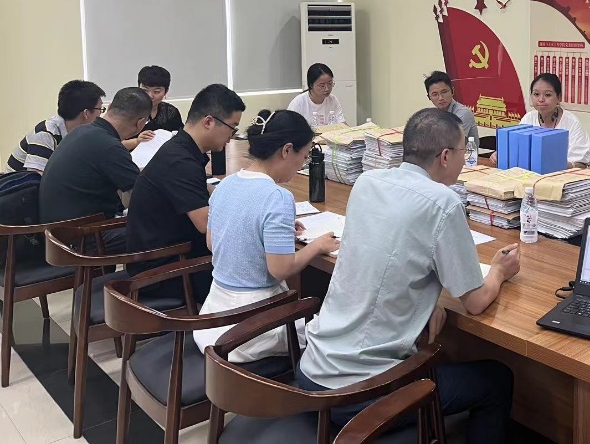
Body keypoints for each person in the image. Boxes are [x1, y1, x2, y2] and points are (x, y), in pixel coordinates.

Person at [298, 108, 520, 443]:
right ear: (445, 156)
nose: (466, 159)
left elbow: (387, 256)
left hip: (312, 370)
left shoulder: (368, 182)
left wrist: (426, 301)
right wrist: (500, 272)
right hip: (357, 392)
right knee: (496, 379)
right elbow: (475, 302)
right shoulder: (443, 202)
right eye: (464, 151)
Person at [192, 109, 340, 362]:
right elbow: (281, 269)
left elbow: (212, 243)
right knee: (331, 331)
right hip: (251, 328)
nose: (301, 165)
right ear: (287, 150)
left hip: (213, 320)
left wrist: (268, 230)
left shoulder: (225, 184)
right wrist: (317, 246)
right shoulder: (277, 197)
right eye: (304, 157)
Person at [125, 84, 246, 303]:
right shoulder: (180, 161)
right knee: (257, 269)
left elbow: (206, 191)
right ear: (209, 122)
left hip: (172, 254)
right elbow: (206, 223)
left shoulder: (181, 148)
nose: (232, 136)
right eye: (232, 128)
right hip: (163, 272)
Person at [39, 87, 151, 253]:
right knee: (166, 229)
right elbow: (145, 193)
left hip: (55, 236)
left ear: (110, 107)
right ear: (140, 123)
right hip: (81, 239)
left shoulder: (81, 131)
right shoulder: (109, 146)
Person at [4, 80, 105, 174]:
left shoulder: (78, 135)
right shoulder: (45, 134)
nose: (101, 114)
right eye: (100, 109)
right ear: (86, 113)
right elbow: (35, 180)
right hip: (16, 186)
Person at [517, 73, 590, 167]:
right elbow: (518, 151)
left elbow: (581, 164)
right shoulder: (528, 119)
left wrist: (553, 166)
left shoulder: (572, 122)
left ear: (559, 98)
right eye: (536, 94)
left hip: (564, 173)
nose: (541, 99)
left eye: (547, 95)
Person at [122, 66, 184, 152]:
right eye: (145, 90)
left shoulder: (170, 112)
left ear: (165, 92)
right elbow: (112, 144)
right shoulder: (126, 112)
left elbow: (181, 138)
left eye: (156, 92)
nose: (150, 96)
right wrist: (137, 141)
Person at [424, 70, 479, 147]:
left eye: (444, 92)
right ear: (429, 97)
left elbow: (450, 143)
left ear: (452, 91)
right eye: (435, 94)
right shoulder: (434, 116)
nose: (441, 98)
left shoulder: (463, 113)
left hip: (465, 154)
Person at [288, 63, 346, 128]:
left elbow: (342, 124)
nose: (327, 89)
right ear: (311, 85)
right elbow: (290, 129)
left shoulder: (333, 100)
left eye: (330, 84)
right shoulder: (298, 103)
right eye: (322, 86)